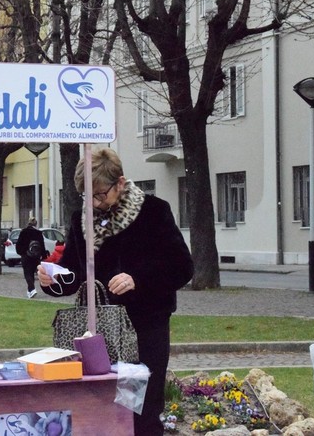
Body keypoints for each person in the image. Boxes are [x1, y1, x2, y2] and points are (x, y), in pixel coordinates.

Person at [36, 148, 193, 436]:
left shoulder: (154, 212)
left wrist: (138, 279)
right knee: (101, 411)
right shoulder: (80, 220)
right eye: (88, 196)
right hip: (97, 336)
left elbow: (182, 266)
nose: (94, 203)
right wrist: (52, 279)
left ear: (120, 183)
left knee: (140, 411)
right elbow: (74, 274)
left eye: (100, 194)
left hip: (145, 329)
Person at [16, 217, 47, 298]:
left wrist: (21, 252)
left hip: (26, 256)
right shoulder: (38, 233)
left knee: (27, 273)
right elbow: (42, 246)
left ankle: (32, 289)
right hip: (36, 256)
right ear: (35, 224)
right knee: (32, 273)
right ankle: (30, 291)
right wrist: (43, 256)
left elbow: (19, 244)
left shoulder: (24, 232)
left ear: (28, 223)